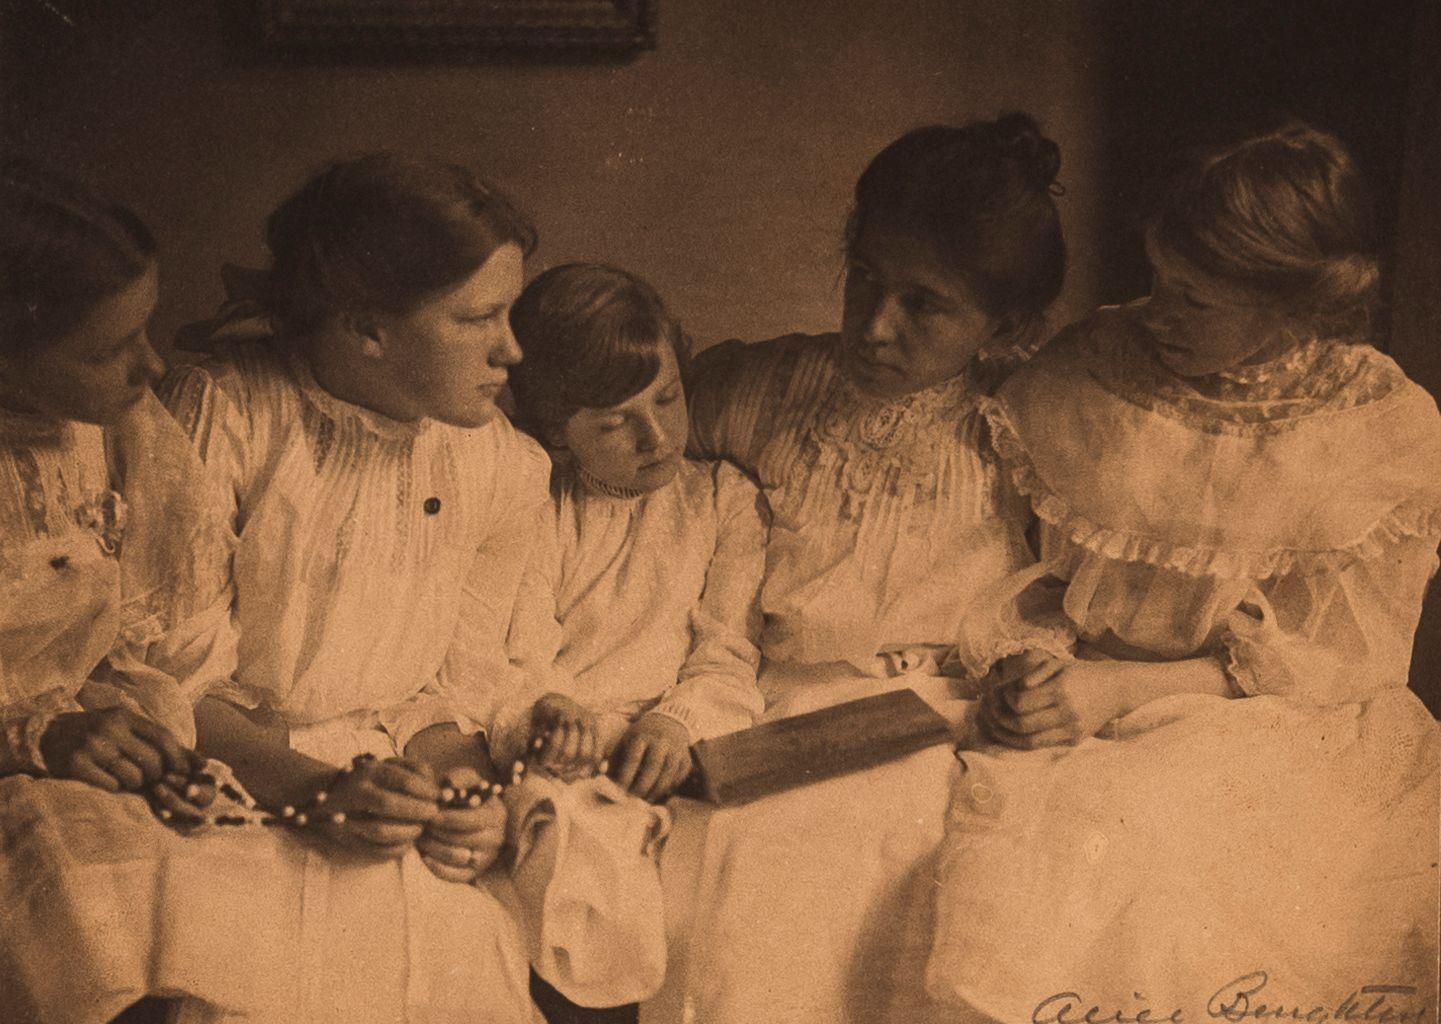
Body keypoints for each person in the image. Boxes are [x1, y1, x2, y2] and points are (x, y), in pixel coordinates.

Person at [927, 120, 1441, 1016]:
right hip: (1077, 689)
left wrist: (1116, 691)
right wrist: (1031, 659)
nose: (1156, 311)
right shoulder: (1091, 366)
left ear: (1297, 309)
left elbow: (1339, 664)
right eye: (1157, 278)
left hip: (1274, 719)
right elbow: (1014, 560)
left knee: (1157, 865)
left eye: (1194, 299)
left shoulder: (1380, 429)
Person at [648, 114, 1068, 1024]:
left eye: (924, 304)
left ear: (1007, 330)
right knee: (731, 847)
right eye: (865, 282)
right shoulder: (751, 389)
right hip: (766, 708)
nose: (875, 327)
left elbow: (1057, 602)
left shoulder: (1028, 435)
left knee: (896, 859)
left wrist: (1026, 675)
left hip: (940, 719)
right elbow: (613, 472)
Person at [0, 156, 233, 1023]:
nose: (154, 367)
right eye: (107, 349)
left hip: (80, 769)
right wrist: (34, 738)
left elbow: (167, 647)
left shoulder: (127, 435)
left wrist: (158, 743)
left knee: (193, 919)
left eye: (148, 329)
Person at [501, 262, 767, 801]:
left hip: (676, 745)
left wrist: (678, 721)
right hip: (563, 748)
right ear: (556, 428)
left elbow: (729, 652)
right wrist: (552, 705)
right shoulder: (534, 506)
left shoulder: (723, 499)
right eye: (615, 422)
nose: (657, 437)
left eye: (667, 399)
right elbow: (520, 646)